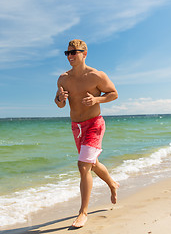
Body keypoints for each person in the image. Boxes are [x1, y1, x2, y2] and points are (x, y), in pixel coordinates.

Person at [55, 39, 119, 228]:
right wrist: (60, 98)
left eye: (74, 52)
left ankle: (83, 212)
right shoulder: (63, 79)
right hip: (77, 127)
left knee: (83, 165)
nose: (70, 56)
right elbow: (59, 104)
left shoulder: (96, 75)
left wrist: (97, 100)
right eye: (68, 53)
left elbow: (114, 93)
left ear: (85, 53)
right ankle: (113, 184)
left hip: (94, 125)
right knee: (92, 164)